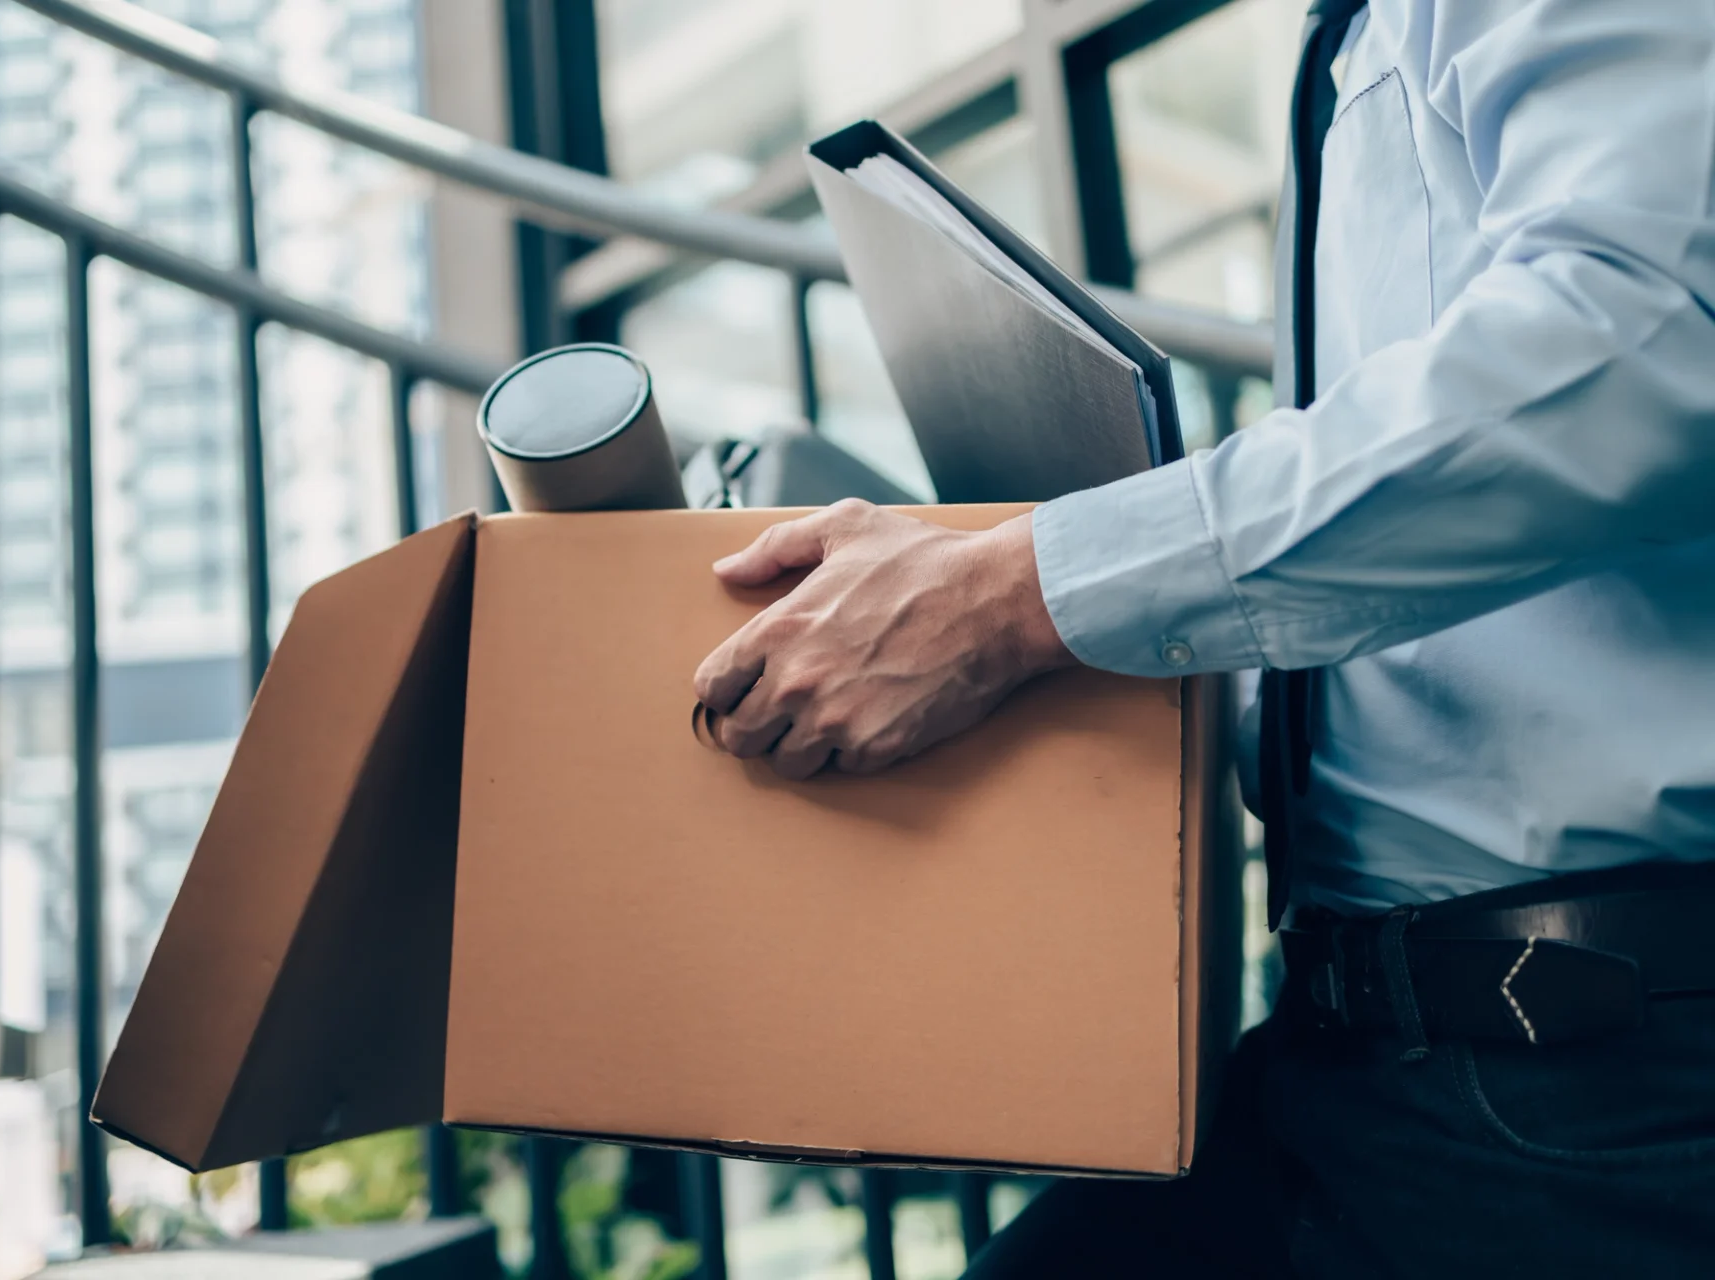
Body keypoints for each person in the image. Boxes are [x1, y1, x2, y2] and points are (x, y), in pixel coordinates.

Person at [692, 0, 1715, 1274]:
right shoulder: (1351, 44)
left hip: (1589, 1072)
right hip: (1359, 1050)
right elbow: (1445, 628)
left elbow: (1652, 344)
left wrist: (1019, 594)